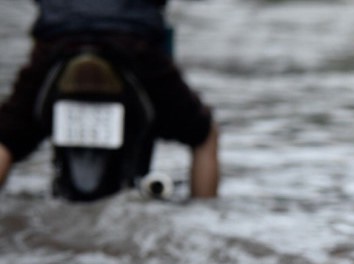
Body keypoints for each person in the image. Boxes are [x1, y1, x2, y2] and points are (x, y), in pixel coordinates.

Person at [0, 0, 219, 198]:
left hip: (58, 43)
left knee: (7, 138)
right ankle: (205, 225)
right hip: (132, 43)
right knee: (204, 134)